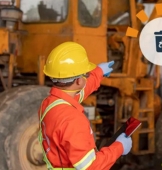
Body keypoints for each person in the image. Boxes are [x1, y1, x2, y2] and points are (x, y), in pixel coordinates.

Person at [38, 41, 132, 170]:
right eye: (86, 74)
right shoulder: (73, 119)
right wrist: (119, 147)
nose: (87, 76)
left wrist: (98, 72)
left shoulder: (50, 104)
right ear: (78, 80)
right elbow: (91, 167)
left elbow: (80, 92)